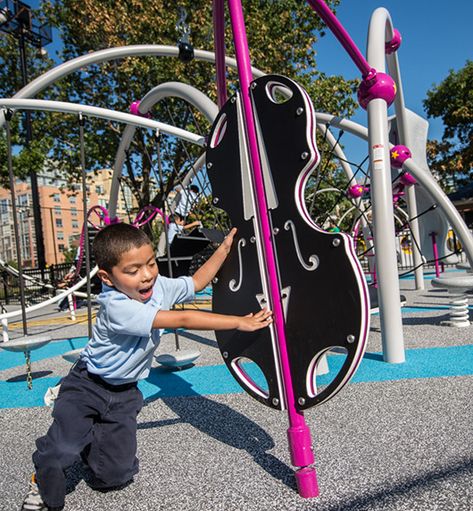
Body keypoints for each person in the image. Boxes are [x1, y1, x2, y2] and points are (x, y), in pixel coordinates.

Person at [21, 222, 272, 511]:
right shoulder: (116, 305)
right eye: (133, 270)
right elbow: (183, 320)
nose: (147, 276)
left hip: (125, 393)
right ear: (108, 277)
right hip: (87, 386)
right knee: (61, 451)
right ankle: (42, 481)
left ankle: (89, 437)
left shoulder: (158, 285)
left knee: (115, 476)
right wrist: (239, 321)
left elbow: (197, 283)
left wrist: (224, 250)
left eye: (151, 263)